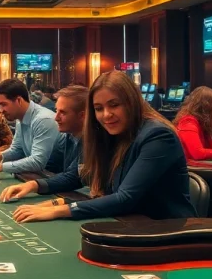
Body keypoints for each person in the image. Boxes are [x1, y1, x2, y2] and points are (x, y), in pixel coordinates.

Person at [10, 71, 195, 223]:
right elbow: (77, 176)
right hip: (125, 221)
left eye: (114, 105)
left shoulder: (158, 136)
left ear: (132, 102)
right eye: (98, 108)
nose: (106, 115)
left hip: (164, 229)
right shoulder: (108, 134)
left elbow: (125, 198)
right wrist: (39, 188)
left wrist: (61, 209)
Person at [0, 85, 88, 202]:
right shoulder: (70, 134)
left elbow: (73, 178)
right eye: (56, 111)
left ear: (82, 116)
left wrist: (60, 205)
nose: (56, 118)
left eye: (63, 112)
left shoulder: (95, 140)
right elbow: (73, 176)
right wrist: (33, 185)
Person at [0, 79, 58, 178]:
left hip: (61, 182)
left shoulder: (43, 119)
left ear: (19, 100)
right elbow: (17, 149)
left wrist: (0, 167)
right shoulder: (20, 118)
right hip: (43, 177)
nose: (0, 110)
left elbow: (37, 162)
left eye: (3, 104)